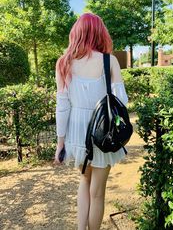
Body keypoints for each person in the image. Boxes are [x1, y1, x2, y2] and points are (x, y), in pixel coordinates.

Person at [54, 13, 128, 230]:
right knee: (97, 193)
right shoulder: (109, 60)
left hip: (77, 131)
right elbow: (121, 101)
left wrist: (60, 144)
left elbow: (63, 106)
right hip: (102, 131)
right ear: (100, 32)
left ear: (76, 33)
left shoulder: (64, 63)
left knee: (84, 181)